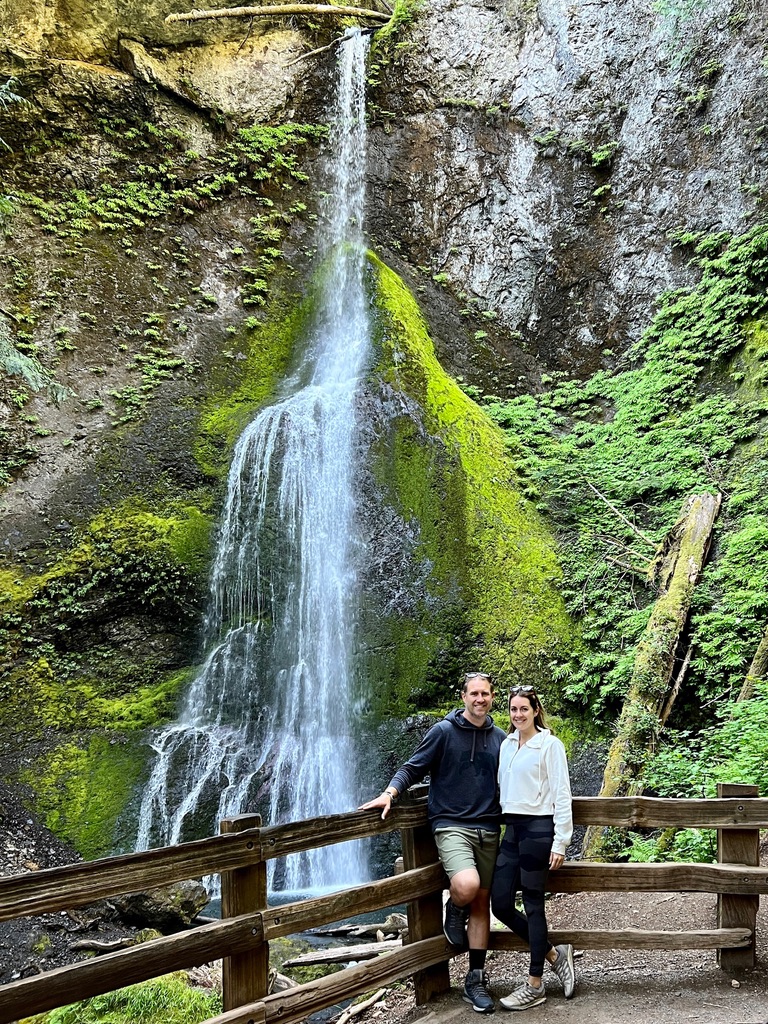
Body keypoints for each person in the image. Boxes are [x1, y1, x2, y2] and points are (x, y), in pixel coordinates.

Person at [359, 671, 506, 1014]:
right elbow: (413, 767)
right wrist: (390, 793)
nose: (479, 699)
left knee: (482, 904)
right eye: (474, 693)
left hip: (488, 828)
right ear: (463, 696)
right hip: (452, 825)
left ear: (492, 697)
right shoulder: (443, 732)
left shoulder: (501, 738)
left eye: (485, 694)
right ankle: (454, 907)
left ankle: (475, 979)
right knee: (467, 886)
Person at [490, 684, 576, 1010]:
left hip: (538, 831)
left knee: (533, 904)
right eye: (513, 709)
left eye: (524, 709)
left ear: (535, 710)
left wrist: (561, 841)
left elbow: (562, 794)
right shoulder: (507, 744)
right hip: (511, 831)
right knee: (500, 903)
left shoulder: (549, 745)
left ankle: (535, 984)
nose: (518, 715)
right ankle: (555, 953)